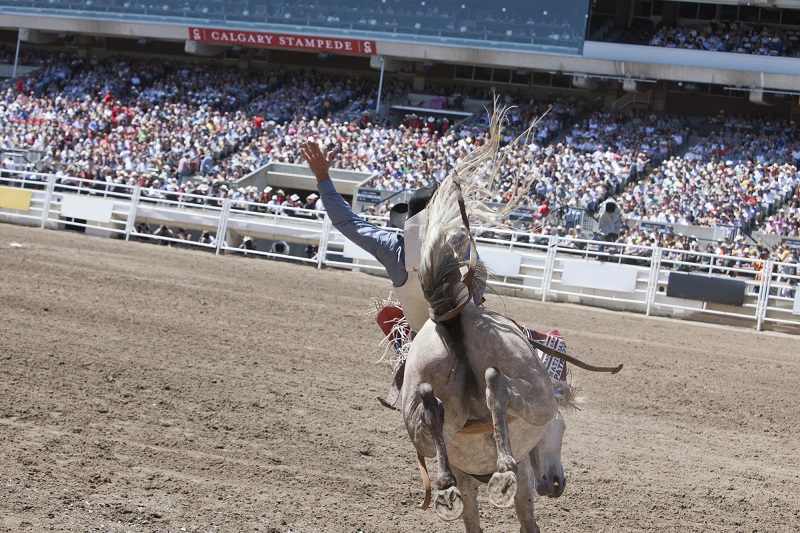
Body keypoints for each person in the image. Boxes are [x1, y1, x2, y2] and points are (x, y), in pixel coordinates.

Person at [300, 140, 570, 407]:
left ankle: (408, 371)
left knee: (395, 322)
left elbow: (347, 222)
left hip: (424, 335)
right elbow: (479, 286)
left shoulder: (393, 249)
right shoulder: (459, 245)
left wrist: (323, 177)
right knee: (526, 337)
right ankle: (551, 384)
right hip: (471, 327)